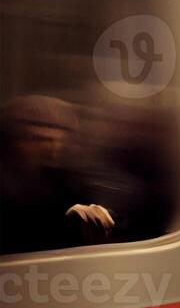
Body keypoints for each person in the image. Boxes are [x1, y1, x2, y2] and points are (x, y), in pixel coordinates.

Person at [1, 95, 115, 254]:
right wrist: (66, 224)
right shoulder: (7, 185)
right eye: (36, 139)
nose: (51, 149)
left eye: (58, 140)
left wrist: (95, 214)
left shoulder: (64, 177)